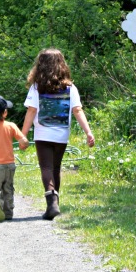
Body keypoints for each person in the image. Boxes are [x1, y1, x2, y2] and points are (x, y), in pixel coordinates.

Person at [20, 48, 95, 220]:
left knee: (46, 167)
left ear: (40, 66)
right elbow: (77, 110)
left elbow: (31, 112)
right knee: (55, 168)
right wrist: (88, 132)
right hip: (61, 134)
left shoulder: (36, 88)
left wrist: (23, 135)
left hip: (42, 133)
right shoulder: (70, 88)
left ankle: (51, 203)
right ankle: (54, 204)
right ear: (62, 65)